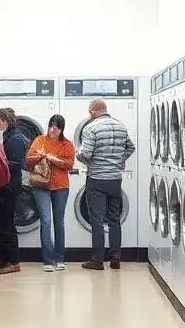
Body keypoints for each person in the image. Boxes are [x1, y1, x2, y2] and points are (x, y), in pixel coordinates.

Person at [77, 98, 136, 271]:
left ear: (93, 112)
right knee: (114, 219)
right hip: (115, 180)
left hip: (96, 179)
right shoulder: (120, 126)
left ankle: (97, 260)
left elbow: (85, 154)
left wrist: (79, 155)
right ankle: (115, 258)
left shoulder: (91, 128)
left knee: (97, 220)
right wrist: (121, 159)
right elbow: (131, 147)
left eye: (90, 111)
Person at [24, 115, 75, 271]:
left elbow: (69, 164)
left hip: (60, 186)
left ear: (61, 129)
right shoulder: (40, 140)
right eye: (51, 126)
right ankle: (48, 260)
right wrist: (40, 156)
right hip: (40, 185)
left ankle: (60, 259)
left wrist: (52, 158)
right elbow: (28, 160)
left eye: (57, 127)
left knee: (59, 223)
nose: (53, 129)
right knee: (46, 221)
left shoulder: (67, 144)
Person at [0, 107, 27, 274]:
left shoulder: (15, 138)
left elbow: (18, 163)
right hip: (4, 185)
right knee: (2, 223)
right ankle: (5, 259)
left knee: (7, 225)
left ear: (5, 121)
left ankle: (13, 261)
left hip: (10, 187)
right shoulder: (7, 136)